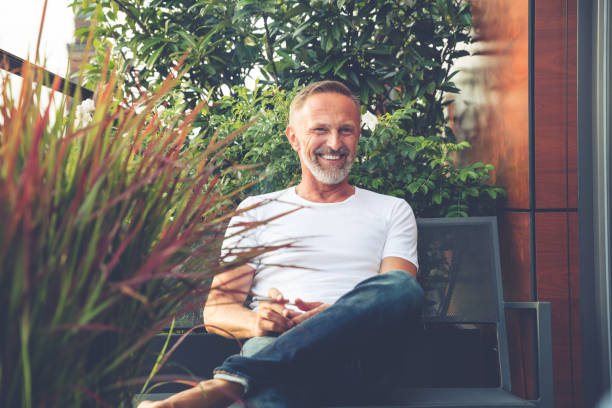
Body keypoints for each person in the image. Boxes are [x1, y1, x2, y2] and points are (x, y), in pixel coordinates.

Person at [138, 81, 424, 408]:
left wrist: (331, 318)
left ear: (358, 135)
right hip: (276, 347)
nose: (334, 142)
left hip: (357, 354)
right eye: (320, 129)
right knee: (270, 386)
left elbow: (397, 301)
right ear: (293, 138)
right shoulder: (257, 210)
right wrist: (258, 321)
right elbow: (216, 311)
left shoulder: (392, 209)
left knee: (403, 287)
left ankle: (228, 384)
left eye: (346, 130)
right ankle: (241, 380)